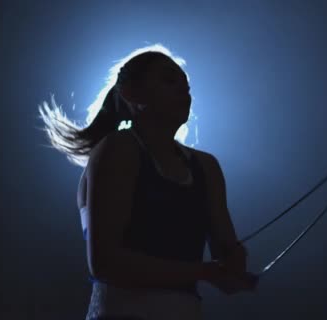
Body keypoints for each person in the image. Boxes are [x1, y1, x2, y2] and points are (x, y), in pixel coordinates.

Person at [38, 44, 258, 320]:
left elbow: (227, 270)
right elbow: (105, 263)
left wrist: (234, 263)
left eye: (187, 87)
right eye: (169, 80)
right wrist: (207, 271)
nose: (184, 92)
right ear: (132, 93)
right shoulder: (117, 150)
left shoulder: (206, 167)